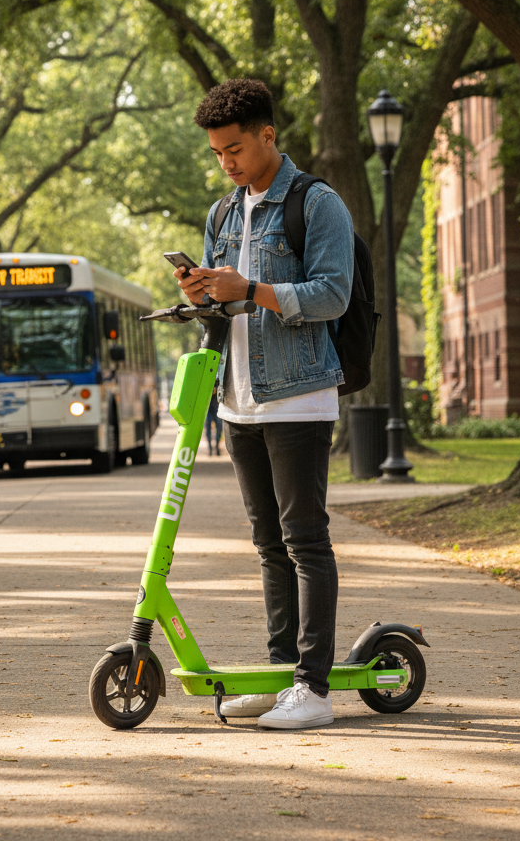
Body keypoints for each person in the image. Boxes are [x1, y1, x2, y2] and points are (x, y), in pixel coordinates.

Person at [174, 78, 353, 731]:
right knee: (267, 545)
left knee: (305, 541)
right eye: (218, 153)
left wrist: (251, 287)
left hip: (299, 398)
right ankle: (281, 675)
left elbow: (332, 295)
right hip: (240, 401)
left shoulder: (316, 203)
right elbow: (225, 310)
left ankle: (313, 687)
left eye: (235, 149)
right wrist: (202, 295)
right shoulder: (223, 215)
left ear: (268, 136)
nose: (227, 162)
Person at [204, 381, 223, 456]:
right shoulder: (206, 381)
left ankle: (217, 447)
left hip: (217, 409)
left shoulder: (218, 381)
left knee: (219, 429)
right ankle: (210, 448)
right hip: (208, 410)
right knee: (208, 430)